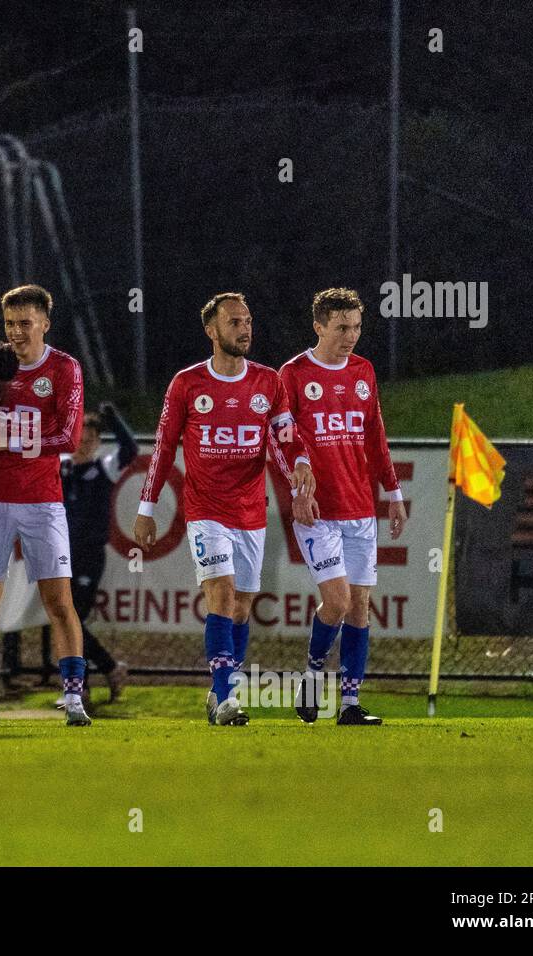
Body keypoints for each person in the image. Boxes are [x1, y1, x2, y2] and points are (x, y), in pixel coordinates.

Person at [134, 292, 316, 726]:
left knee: (241, 606)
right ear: (212, 331)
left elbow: (286, 437)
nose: (245, 328)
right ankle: (228, 696)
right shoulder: (187, 384)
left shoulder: (268, 382)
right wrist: (147, 506)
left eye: (248, 320)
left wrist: (303, 465)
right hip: (205, 509)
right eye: (234, 322)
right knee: (221, 593)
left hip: (251, 510)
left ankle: (218, 693)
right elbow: (163, 448)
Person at [279, 288, 407, 726]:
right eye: (341, 327)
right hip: (317, 511)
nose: (351, 336)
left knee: (359, 606)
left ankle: (350, 704)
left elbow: (375, 436)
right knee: (335, 601)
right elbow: (280, 439)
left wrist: (393, 494)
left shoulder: (363, 371)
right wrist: (298, 491)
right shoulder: (293, 375)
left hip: (359, 507)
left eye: (356, 326)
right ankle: (312, 678)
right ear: (318, 326)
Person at [0, 285, 92, 727]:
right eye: (10, 324)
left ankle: (74, 698)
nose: (17, 333)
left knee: (59, 600)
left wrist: (7, 436)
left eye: (26, 323)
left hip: (41, 501)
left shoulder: (63, 369)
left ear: (45, 323)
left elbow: (69, 439)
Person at [57, 402, 138, 700]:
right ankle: (95, 676)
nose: (84, 443)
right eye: (80, 436)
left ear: (98, 442)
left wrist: (114, 419)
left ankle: (88, 679)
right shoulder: (60, 465)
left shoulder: (102, 467)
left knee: (73, 617)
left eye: (91, 438)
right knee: (64, 617)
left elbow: (130, 449)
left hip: (90, 554)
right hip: (61, 554)